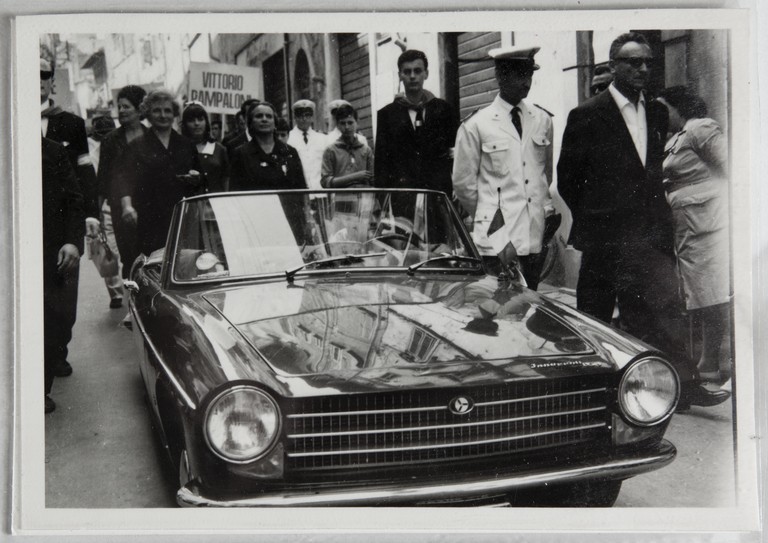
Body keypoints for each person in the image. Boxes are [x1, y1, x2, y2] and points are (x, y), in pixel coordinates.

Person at [557, 32, 729, 408]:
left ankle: (684, 386)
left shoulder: (654, 112)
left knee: (664, 307)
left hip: (648, 233)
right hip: (605, 236)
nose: (643, 69)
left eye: (647, 62)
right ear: (613, 65)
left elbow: (651, 169)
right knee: (598, 315)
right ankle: (593, 391)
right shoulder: (587, 114)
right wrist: (598, 217)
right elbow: (568, 178)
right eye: (634, 62)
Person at [452, 46, 554, 290]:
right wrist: (494, 228)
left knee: (530, 307)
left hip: (533, 238)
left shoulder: (542, 120)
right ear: (500, 76)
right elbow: (463, 185)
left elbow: (544, 175)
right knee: (497, 313)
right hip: (497, 243)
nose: (526, 82)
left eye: (529, 75)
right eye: (520, 75)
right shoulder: (476, 125)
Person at [656, 86, 731, 383]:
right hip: (689, 226)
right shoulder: (675, 137)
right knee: (700, 292)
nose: (661, 116)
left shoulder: (700, 128)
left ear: (680, 107)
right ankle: (708, 360)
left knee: (712, 292)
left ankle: (713, 361)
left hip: (709, 225)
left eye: (664, 109)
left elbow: (733, 168)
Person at [40, 57, 96, 378]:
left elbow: (85, 171)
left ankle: (58, 350)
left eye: (44, 75)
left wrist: (90, 215)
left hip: (63, 221)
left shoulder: (71, 124)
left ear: (52, 82)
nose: (38, 80)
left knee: (63, 299)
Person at [120, 90, 204, 256]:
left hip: (182, 216)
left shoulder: (186, 145)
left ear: (174, 114)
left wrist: (196, 177)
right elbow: (125, 181)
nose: (163, 115)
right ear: (148, 114)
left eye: (167, 111)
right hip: (149, 217)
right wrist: (127, 206)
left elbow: (200, 178)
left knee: (185, 261)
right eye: (156, 110)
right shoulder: (136, 146)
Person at [374, 49, 458, 196]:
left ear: (426, 73)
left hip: (438, 196)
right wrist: (382, 204)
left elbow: (455, 153)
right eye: (407, 72)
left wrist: (457, 191)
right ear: (400, 75)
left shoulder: (444, 109)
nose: (412, 76)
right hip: (403, 198)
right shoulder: (386, 115)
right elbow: (381, 165)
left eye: (417, 71)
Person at [42, 136, 85, 413]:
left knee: (52, 318)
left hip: (49, 248)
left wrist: (72, 241)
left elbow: (73, 198)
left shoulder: (53, 151)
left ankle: (39, 387)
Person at [97, 85, 148, 281]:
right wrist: (98, 215)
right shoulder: (110, 140)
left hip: (147, 206)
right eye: (120, 106)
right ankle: (131, 304)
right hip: (120, 210)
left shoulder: (150, 137)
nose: (122, 110)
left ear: (139, 109)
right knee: (130, 258)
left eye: (127, 106)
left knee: (149, 256)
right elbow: (102, 178)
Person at [87, 115, 123, 308]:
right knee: (109, 249)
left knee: (120, 249)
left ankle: (123, 289)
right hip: (106, 204)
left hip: (119, 202)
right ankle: (116, 292)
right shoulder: (91, 152)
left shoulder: (121, 147)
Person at [229, 102, 306, 191]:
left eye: (269, 116)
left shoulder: (290, 152)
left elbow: (301, 190)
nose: (264, 119)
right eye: (259, 116)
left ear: (275, 122)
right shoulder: (240, 154)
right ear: (251, 122)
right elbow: (235, 192)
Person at [181, 102, 230, 192]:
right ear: (185, 124)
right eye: (191, 120)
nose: (196, 123)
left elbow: (226, 181)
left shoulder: (220, 149)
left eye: (200, 119)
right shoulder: (180, 149)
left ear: (206, 122)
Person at [321, 104, 374, 188]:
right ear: (337, 125)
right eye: (342, 123)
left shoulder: (366, 150)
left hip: (364, 198)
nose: (346, 127)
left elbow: (373, 179)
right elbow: (325, 182)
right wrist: (354, 177)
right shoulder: (331, 151)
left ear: (357, 123)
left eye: (350, 122)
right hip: (342, 198)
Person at [287, 99, 328, 191]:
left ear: (312, 117)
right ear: (295, 117)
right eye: (300, 116)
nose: (304, 119)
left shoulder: (322, 138)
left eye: (307, 115)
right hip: (299, 190)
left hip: (320, 190)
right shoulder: (288, 138)